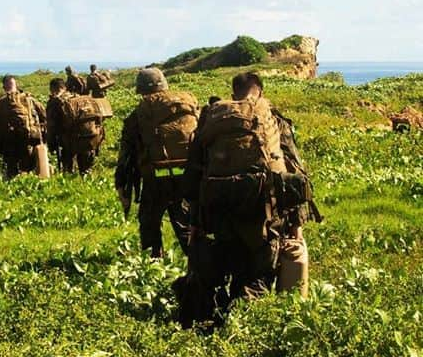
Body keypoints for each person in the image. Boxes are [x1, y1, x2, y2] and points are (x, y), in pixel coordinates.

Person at [181, 71, 318, 325]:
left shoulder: (211, 117)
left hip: (216, 211)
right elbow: (296, 173)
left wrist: (194, 221)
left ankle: (205, 323)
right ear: (261, 92)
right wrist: (296, 225)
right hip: (261, 213)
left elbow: (193, 173)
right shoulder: (272, 120)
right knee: (257, 274)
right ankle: (242, 324)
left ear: (233, 94)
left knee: (216, 270)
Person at [114, 67, 198, 258]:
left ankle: (155, 256)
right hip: (187, 173)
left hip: (157, 176)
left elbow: (126, 154)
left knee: (149, 218)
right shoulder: (187, 104)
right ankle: (196, 260)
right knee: (184, 219)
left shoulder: (139, 115)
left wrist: (121, 183)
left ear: (141, 90)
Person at [0, 74, 46, 179]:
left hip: (8, 139)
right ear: (16, 85)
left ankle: (11, 184)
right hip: (28, 136)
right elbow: (43, 115)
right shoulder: (29, 99)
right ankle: (28, 183)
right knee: (28, 165)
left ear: (4, 87)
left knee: (11, 166)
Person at [48, 78, 106, 174]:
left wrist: (51, 145)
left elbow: (51, 127)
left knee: (67, 170)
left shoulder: (55, 102)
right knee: (86, 171)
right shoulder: (80, 98)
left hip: (71, 140)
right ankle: (87, 185)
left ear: (52, 89)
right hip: (90, 138)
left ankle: (70, 181)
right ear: (64, 87)